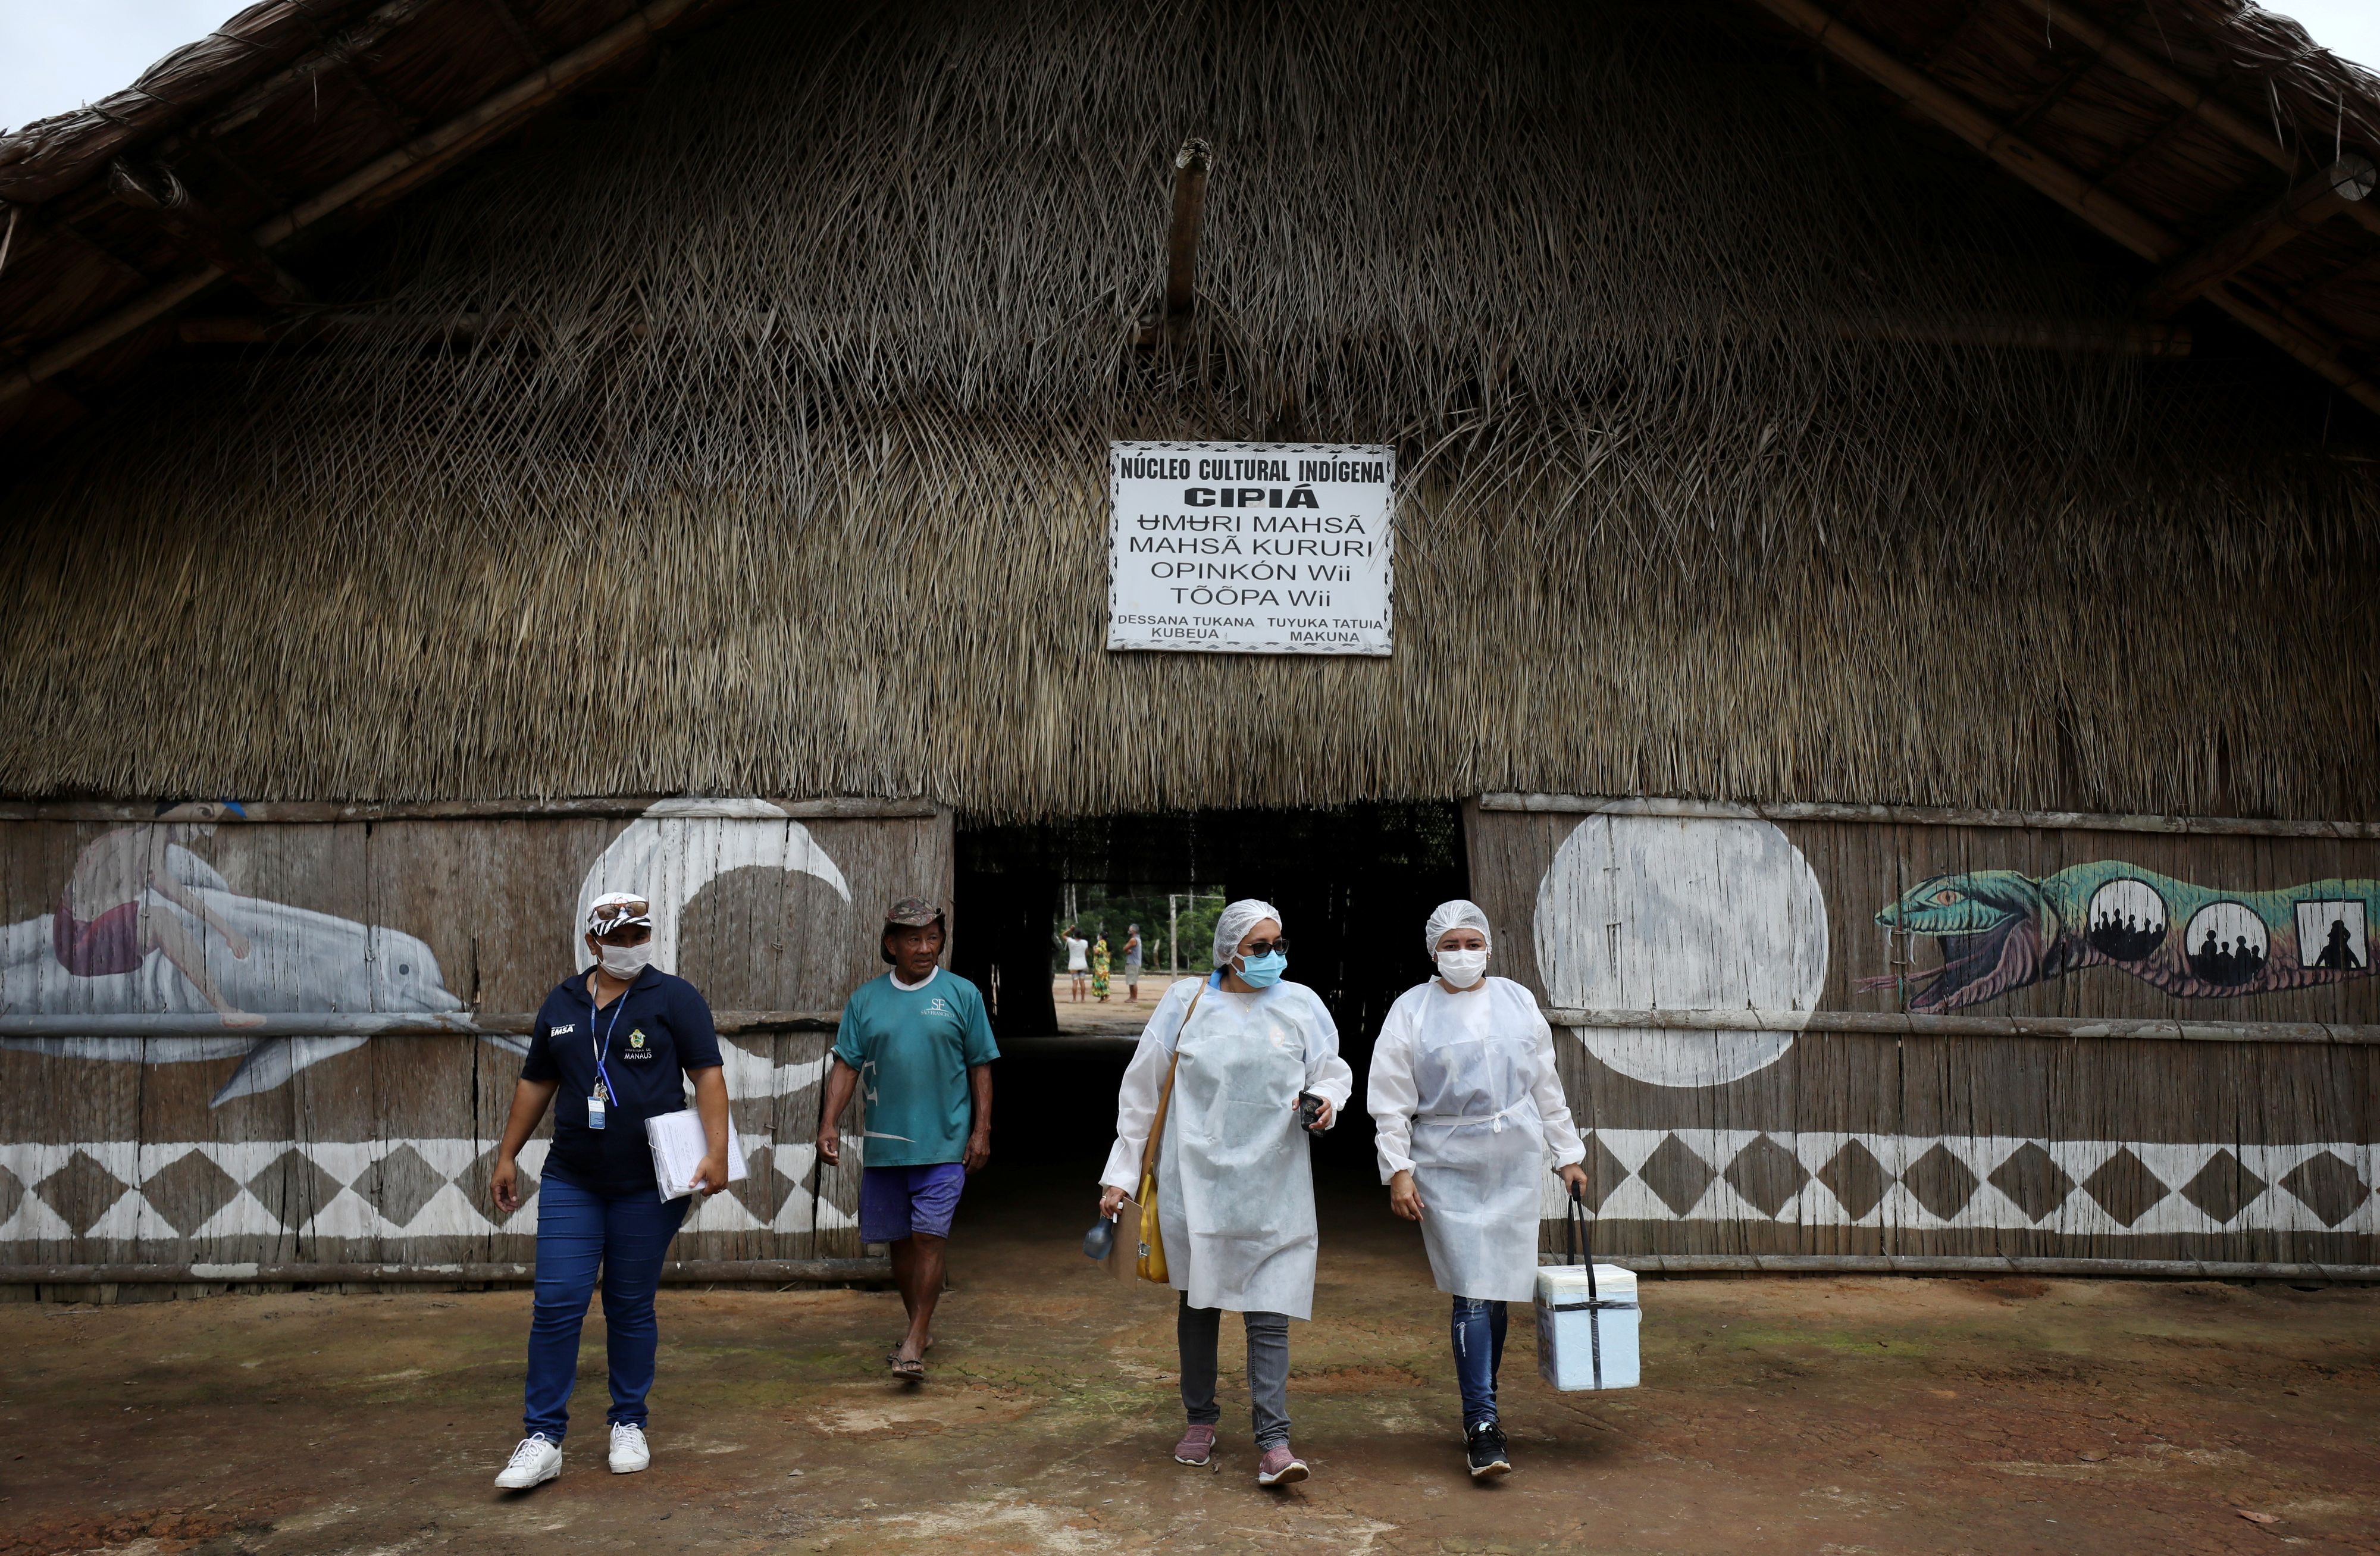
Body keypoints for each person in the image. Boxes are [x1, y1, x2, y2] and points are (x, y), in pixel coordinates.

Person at [1097, 899, 1352, 1487]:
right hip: (1197, 1179)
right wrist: (1121, 1174)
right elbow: (1142, 1090)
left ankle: (1274, 1440)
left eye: (1279, 944)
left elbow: (1332, 1069)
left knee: (1270, 1309)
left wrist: (1325, 1100)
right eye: (1259, 946)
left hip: (1275, 1180)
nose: (1272, 956)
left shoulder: (1301, 1003)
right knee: (1199, 1302)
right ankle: (1200, 1418)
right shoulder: (1185, 1002)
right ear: (1229, 950)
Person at [488, 892, 731, 1491]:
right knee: (557, 1302)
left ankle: (628, 1421)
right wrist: (507, 1153)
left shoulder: (675, 998)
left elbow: (707, 1074)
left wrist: (718, 1149)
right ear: (592, 941)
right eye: (617, 937)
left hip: (648, 1184)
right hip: (572, 1177)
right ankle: (543, 1437)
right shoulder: (563, 1003)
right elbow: (536, 1081)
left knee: (628, 1302)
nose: (629, 946)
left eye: (638, 935)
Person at [1367, 898, 1591, 1482]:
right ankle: (1482, 1422)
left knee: (1498, 1290)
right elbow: (1390, 1097)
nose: (1462, 954)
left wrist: (1567, 1153)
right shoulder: (1411, 1010)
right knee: (1470, 1288)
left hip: (1513, 1156)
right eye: (1451, 945)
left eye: (1472, 943)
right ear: (1433, 952)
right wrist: (1398, 1167)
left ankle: (1483, 1404)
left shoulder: (1516, 1000)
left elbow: (1545, 1081)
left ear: (1488, 947)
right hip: (1446, 1160)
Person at [818, 898, 998, 1380]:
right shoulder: (866, 1000)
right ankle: (919, 1322)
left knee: (928, 1237)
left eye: (933, 938)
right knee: (898, 1242)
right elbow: (847, 1065)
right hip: (886, 1145)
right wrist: (828, 1122)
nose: (925, 948)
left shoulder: (962, 994)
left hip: (944, 1143)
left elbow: (981, 1065)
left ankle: (914, 1340)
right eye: (914, 939)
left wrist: (981, 1130)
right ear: (891, 944)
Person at [1064, 924, 1089, 1003]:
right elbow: (1087, 954)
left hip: (1074, 965)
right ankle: (1083, 999)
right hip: (1083, 964)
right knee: (1082, 982)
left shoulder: (1070, 941)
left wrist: (1070, 929)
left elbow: (1063, 935)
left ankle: (1074, 999)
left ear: (1074, 935)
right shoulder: (1085, 942)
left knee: (1075, 982)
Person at [1123, 923, 1144, 1003]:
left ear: (1134, 931)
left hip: (1133, 962)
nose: (1129, 931)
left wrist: (1127, 950)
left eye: (1130, 929)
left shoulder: (1133, 940)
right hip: (1135, 962)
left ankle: (1134, 998)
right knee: (1131, 981)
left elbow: (1125, 948)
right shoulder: (1138, 939)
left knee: (1133, 982)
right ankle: (1131, 997)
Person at [1091, 932, 1111, 1002]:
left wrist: (1094, 948)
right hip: (1106, 965)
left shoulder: (1100, 942)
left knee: (1101, 981)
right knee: (1103, 980)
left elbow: (1096, 952)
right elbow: (1109, 955)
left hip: (1100, 966)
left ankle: (1107, 996)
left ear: (1101, 936)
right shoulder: (1107, 943)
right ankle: (1102, 997)